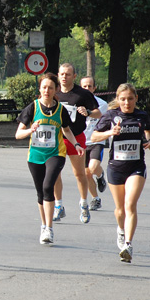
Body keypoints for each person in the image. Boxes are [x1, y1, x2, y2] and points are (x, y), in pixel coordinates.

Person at [16, 73, 85, 245]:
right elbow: (18, 134)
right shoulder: (32, 108)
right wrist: (30, 130)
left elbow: (67, 130)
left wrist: (76, 144)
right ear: (40, 89)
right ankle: (43, 225)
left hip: (56, 153)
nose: (47, 90)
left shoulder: (60, 109)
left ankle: (49, 229)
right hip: (35, 155)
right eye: (44, 87)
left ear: (56, 90)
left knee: (48, 186)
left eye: (51, 88)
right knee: (41, 192)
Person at [91, 83, 150, 263]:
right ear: (118, 100)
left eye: (130, 99)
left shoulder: (141, 115)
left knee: (130, 205)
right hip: (115, 167)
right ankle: (121, 230)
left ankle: (128, 244)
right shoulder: (111, 115)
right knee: (120, 210)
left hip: (136, 167)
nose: (127, 102)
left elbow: (149, 130)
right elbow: (94, 136)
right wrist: (110, 132)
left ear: (136, 99)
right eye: (123, 99)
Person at [53, 64, 101, 224]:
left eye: (67, 74)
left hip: (77, 138)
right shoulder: (54, 92)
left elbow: (98, 112)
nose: (64, 77)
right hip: (57, 138)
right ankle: (58, 206)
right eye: (62, 74)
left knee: (80, 174)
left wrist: (87, 112)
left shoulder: (83, 94)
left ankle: (84, 204)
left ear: (74, 76)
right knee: (55, 174)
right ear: (58, 75)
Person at [80, 76, 109, 211]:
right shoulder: (76, 103)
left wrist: (87, 112)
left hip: (96, 141)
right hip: (81, 142)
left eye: (89, 86)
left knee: (93, 167)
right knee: (86, 174)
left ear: (94, 88)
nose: (87, 89)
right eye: (84, 86)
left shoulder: (102, 104)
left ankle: (100, 175)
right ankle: (95, 199)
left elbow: (97, 115)